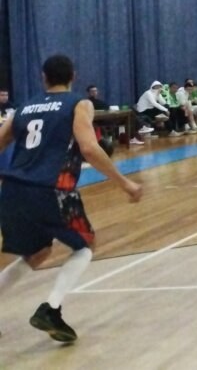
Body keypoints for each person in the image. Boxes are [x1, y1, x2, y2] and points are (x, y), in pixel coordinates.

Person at [0, 55, 142, 343]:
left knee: (37, 252)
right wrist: (124, 183)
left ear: (43, 77)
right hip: (52, 188)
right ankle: (51, 309)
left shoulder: (23, 108)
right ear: (73, 76)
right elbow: (88, 148)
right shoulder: (79, 104)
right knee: (85, 245)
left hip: (13, 190)